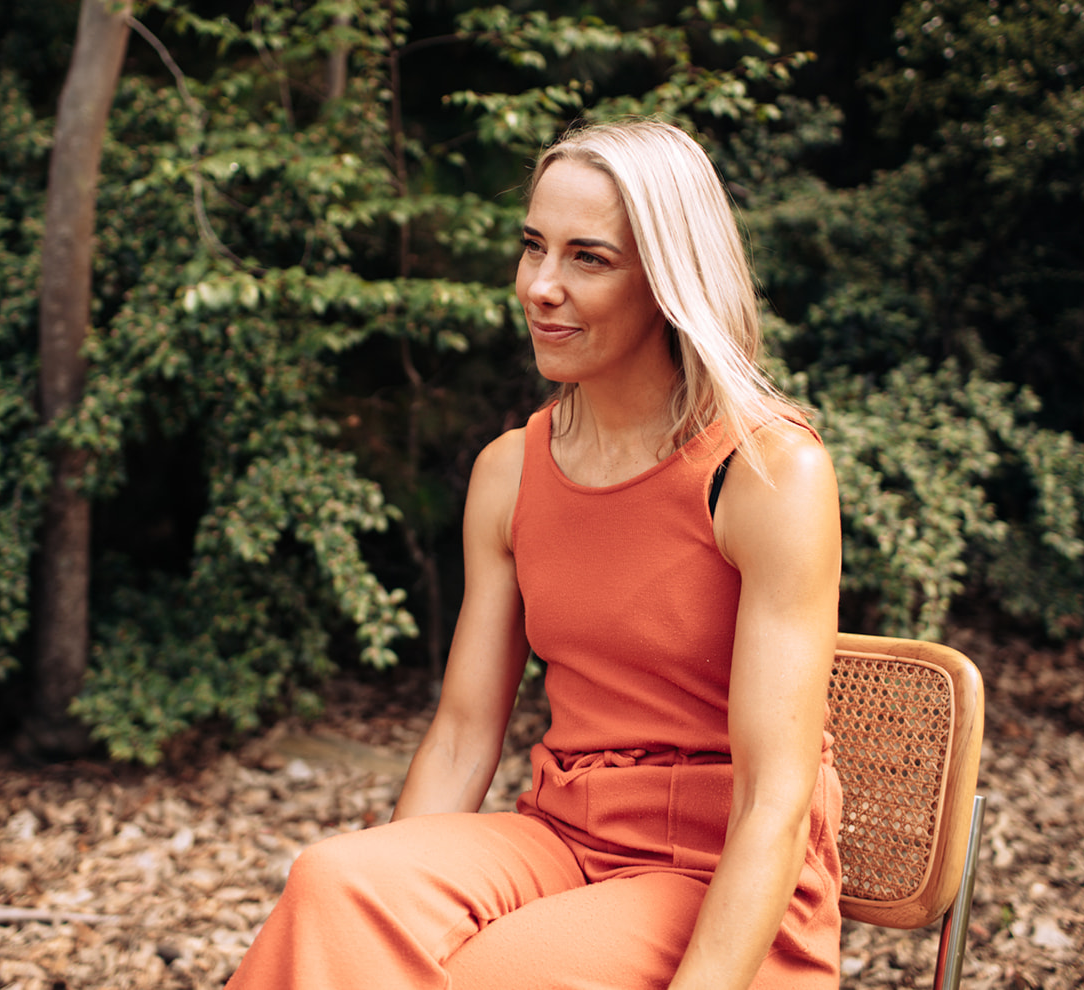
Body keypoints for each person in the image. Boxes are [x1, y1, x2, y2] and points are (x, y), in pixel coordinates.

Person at [224, 118, 843, 990]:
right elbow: (463, 734)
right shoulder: (510, 470)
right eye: (532, 247)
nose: (541, 287)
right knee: (337, 884)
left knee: (495, 972)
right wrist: (393, 926)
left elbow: (774, 800)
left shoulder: (768, 473)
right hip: (563, 839)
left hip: (720, 880)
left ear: (670, 279)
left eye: (588, 258)